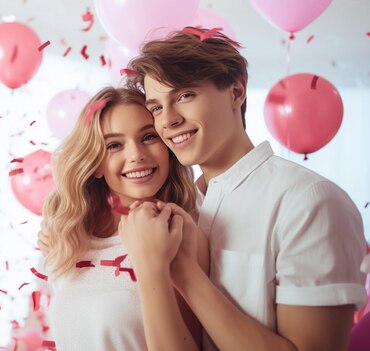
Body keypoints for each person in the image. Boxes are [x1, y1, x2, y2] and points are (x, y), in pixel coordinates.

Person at [120, 26, 367, 351]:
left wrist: (187, 274)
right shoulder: (176, 207)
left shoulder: (309, 201)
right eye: (155, 107)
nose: (168, 120)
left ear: (236, 92)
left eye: (184, 95)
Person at [39, 86, 209, 350]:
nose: (136, 155)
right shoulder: (66, 239)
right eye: (114, 145)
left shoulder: (179, 233)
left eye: (149, 137)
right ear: (95, 163)